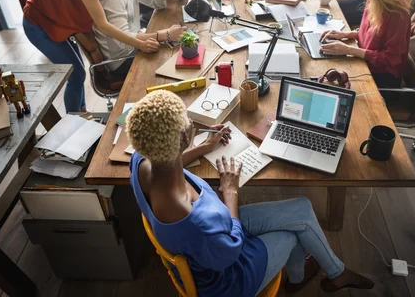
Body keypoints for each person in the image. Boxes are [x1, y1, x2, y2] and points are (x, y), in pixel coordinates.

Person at [126, 90, 374, 296]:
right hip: (229, 278)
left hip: (208, 240)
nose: (192, 124)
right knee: (294, 234)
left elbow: (169, 160)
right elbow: (231, 251)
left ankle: (335, 273)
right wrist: (231, 194)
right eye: (188, 121)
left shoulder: (141, 159)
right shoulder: (192, 218)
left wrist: (203, 147)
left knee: (302, 207)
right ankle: (299, 279)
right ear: (181, 139)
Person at [23, 0, 157, 113]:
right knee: (76, 74)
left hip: (57, 17)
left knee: (78, 69)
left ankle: (82, 111)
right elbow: (103, 25)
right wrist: (139, 44)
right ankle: (74, 119)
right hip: (38, 25)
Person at [320, 0, 413, 89]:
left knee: (326, 82)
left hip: (382, 78)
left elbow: (390, 59)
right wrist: (347, 34)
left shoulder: (397, 14)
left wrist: (349, 50)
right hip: (366, 64)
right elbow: (371, 36)